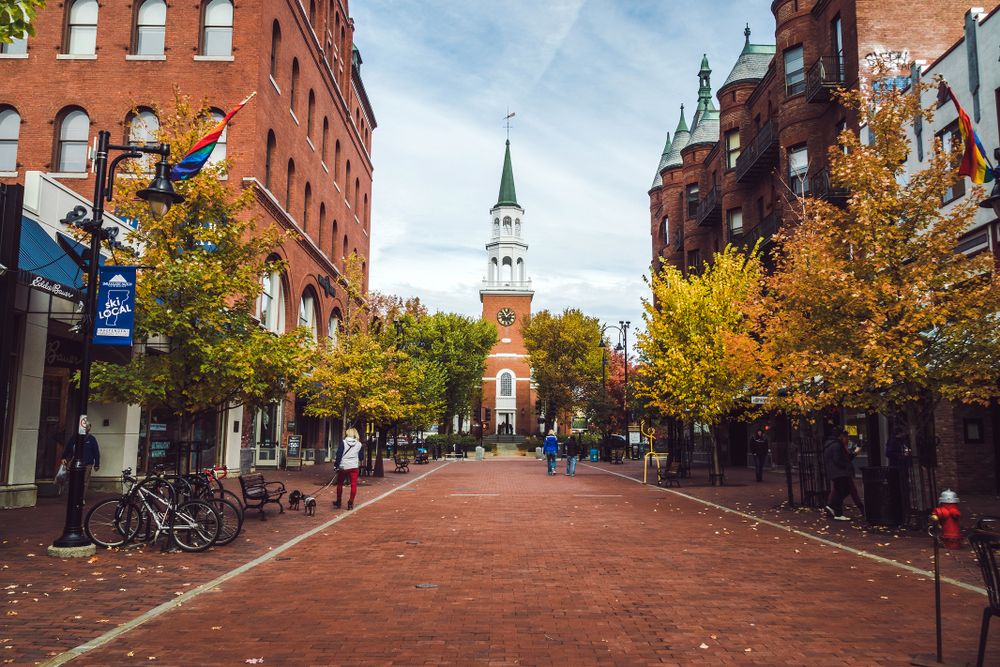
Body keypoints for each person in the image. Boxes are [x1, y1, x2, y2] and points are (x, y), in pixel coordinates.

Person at [823, 428, 864, 521]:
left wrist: (853, 454)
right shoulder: (837, 445)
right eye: (845, 436)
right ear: (841, 436)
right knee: (843, 491)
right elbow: (838, 459)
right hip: (840, 473)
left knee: (840, 490)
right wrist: (846, 466)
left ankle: (832, 507)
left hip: (835, 472)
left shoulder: (830, 444)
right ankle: (837, 512)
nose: (847, 439)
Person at [62, 422, 100, 501]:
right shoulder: (75, 437)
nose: (86, 428)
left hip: (88, 463)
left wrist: (97, 464)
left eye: (88, 427)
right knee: (73, 480)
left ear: (89, 428)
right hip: (75, 462)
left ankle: (81, 498)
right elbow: (68, 448)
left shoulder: (92, 439)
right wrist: (64, 457)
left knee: (84, 481)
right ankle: (73, 496)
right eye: (85, 427)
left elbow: (96, 451)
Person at [334, 427, 363, 510]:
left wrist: (336, 465)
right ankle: (351, 502)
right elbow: (361, 457)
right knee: (353, 484)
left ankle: (338, 501)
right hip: (354, 466)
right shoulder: (359, 444)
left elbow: (339, 454)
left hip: (343, 466)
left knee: (340, 483)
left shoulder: (343, 443)